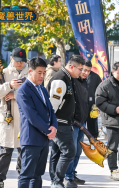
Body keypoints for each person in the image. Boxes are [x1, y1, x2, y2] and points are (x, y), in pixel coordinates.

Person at [0, 48, 29, 188]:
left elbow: (35, 92)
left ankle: (22, 178)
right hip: (8, 118)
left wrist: (15, 94)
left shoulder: (31, 72)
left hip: (24, 117)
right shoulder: (3, 73)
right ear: (11, 59)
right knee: (5, 151)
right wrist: (9, 85)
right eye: (17, 61)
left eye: (22, 61)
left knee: (23, 150)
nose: (19, 64)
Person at [16, 57, 58, 188]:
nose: (42, 75)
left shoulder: (42, 89)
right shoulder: (23, 90)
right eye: (39, 72)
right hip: (31, 139)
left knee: (38, 174)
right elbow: (32, 116)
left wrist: (54, 127)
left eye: (44, 72)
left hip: (44, 138)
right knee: (26, 175)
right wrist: (48, 130)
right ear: (30, 71)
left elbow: (50, 110)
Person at [47, 55, 84, 188]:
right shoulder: (61, 79)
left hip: (64, 122)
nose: (81, 72)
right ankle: (57, 181)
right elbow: (53, 105)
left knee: (57, 153)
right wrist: (52, 124)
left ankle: (55, 181)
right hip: (59, 123)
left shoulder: (69, 78)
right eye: (80, 69)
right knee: (69, 152)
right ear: (71, 66)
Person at [64, 60, 90, 186]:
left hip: (82, 123)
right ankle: (68, 177)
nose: (84, 73)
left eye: (88, 71)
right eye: (83, 70)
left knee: (78, 151)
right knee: (71, 150)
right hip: (72, 123)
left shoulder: (84, 82)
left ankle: (72, 173)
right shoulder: (71, 81)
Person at [85, 60, 102, 138]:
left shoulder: (95, 77)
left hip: (93, 105)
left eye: (88, 69)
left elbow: (100, 91)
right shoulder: (78, 76)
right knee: (80, 125)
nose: (86, 72)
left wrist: (98, 104)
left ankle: (94, 141)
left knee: (93, 124)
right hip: (81, 105)